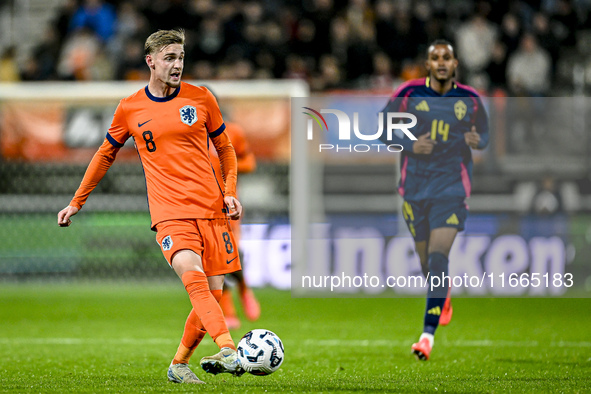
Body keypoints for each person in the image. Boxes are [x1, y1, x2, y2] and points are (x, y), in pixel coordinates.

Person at [57, 29, 245, 384]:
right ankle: (228, 349)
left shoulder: (201, 98)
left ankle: (179, 364)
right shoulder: (130, 107)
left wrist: (230, 191)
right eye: (170, 58)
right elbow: (104, 154)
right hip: (170, 213)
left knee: (213, 297)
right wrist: (76, 202)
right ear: (151, 61)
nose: (177, 65)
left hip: (212, 209)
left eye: (181, 58)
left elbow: (226, 149)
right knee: (195, 280)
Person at [380, 39, 489, 361]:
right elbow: (385, 130)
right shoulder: (409, 94)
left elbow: (483, 133)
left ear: (455, 63)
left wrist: (477, 141)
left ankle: (426, 337)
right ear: (428, 65)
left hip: (452, 189)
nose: (441, 62)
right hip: (415, 189)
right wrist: (412, 144)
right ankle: (443, 294)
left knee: (439, 257)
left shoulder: (469, 99)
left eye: (447, 57)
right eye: (435, 58)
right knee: (429, 264)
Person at [208, 115, 261, 330]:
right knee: (212, 258)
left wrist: (227, 165)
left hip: (227, 203)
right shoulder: (187, 135)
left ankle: (244, 288)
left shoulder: (232, 132)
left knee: (231, 253)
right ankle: (228, 311)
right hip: (200, 204)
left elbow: (250, 163)